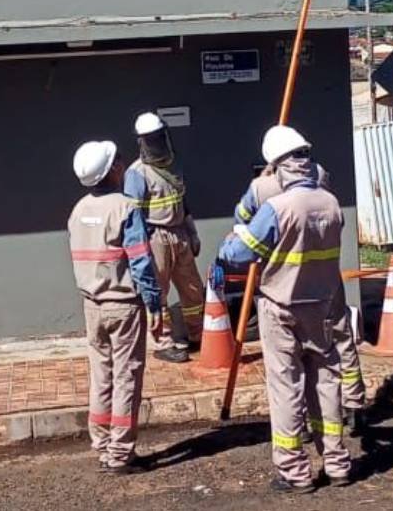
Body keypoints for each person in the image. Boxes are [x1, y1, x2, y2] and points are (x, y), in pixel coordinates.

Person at [218, 125, 352, 494]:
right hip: (322, 306)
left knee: (286, 387)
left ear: (277, 167)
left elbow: (241, 253)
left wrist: (227, 244)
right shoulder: (329, 203)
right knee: (325, 382)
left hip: (281, 306)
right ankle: (337, 462)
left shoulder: (278, 208)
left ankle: (295, 471)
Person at [232, 128, 367, 429]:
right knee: (339, 341)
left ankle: (300, 424)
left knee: (288, 366)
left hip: (284, 283)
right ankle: (354, 403)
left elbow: (241, 217)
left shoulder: (260, 188)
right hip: (326, 281)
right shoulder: (320, 176)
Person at [68, 140, 162, 475]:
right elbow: (141, 262)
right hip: (123, 305)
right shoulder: (125, 208)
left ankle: (103, 445)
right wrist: (155, 304)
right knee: (126, 376)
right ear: (113, 170)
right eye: (119, 160)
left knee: (101, 376)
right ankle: (120, 453)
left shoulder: (78, 210)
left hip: (91, 305)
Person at [124, 112, 205, 364]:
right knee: (157, 292)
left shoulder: (174, 163)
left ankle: (197, 333)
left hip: (179, 231)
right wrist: (141, 247)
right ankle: (163, 342)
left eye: (159, 136)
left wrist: (192, 232)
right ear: (142, 142)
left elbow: (183, 201)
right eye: (151, 139)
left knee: (192, 289)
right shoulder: (137, 173)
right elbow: (133, 214)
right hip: (155, 235)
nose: (157, 142)